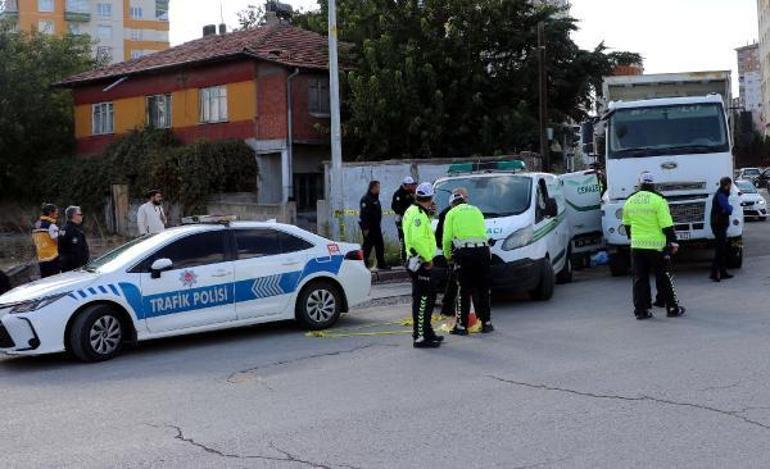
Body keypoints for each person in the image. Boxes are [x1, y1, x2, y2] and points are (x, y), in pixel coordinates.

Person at [623, 172, 685, 320]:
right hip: (657, 247)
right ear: (653, 184)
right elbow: (666, 224)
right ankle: (672, 308)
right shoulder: (659, 200)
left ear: (639, 183)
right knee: (665, 277)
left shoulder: (630, 200)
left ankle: (641, 311)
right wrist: (673, 242)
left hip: (637, 246)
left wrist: (634, 238)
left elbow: (626, 224)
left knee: (639, 279)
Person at [442, 189, 493, 334]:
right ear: (464, 201)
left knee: (464, 290)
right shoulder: (476, 210)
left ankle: (461, 326)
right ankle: (486, 323)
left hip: (465, 253)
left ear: (452, 204)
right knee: (483, 288)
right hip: (483, 251)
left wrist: (447, 256)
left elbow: (447, 239)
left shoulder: (451, 213)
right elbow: (483, 231)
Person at [403, 182, 443, 348]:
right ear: (430, 197)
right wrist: (428, 259)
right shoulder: (418, 214)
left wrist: (431, 214)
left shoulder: (414, 211)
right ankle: (420, 337)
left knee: (428, 298)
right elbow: (418, 239)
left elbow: (421, 230)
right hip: (420, 261)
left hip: (417, 260)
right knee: (422, 301)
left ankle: (427, 332)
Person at [435, 190, 462, 317]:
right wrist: (447, 254)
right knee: (454, 280)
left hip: (457, 249)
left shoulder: (449, 212)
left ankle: (447, 307)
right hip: (459, 249)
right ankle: (448, 307)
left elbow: (442, 237)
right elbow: (442, 236)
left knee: (453, 280)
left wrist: (447, 254)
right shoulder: (447, 214)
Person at [359, 180, 389, 270]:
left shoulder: (375, 198)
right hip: (369, 228)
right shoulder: (366, 199)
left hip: (376, 227)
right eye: (378, 187)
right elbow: (364, 215)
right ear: (373, 188)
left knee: (380, 245)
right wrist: (365, 228)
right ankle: (363, 264)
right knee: (367, 247)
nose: (379, 189)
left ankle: (381, 264)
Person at [710, 177, 734, 282]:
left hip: (718, 224)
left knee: (722, 249)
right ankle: (715, 274)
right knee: (720, 250)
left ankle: (722, 272)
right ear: (727, 185)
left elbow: (726, 209)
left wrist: (727, 209)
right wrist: (729, 209)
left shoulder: (720, 193)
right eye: (730, 185)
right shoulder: (721, 195)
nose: (730, 187)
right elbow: (728, 208)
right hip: (719, 224)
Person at [392, 176, 417, 263]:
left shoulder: (411, 193)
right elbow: (395, 207)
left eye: (412, 185)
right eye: (410, 185)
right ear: (405, 185)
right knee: (402, 238)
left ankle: (411, 255)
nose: (411, 187)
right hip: (401, 219)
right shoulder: (398, 194)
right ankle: (403, 258)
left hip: (411, 219)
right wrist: (405, 213)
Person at [32, 203, 61, 278]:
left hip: (41, 258)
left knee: (45, 280)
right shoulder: (51, 225)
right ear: (50, 213)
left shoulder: (36, 225)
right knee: (55, 280)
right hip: (53, 258)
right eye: (56, 213)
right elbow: (58, 241)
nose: (57, 215)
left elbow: (34, 241)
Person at [59, 206, 90, 272]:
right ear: (74, 215)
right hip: (75, 268)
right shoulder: (73, 230)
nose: (82, 216)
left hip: (67, 266)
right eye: (80, 214)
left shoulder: (64, 228)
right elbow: (77, 251)